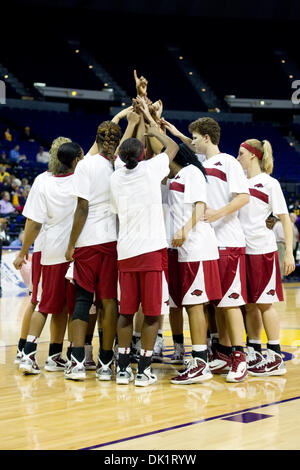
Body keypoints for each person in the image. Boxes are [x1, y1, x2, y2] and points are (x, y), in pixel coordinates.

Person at [163, 116, 250, 382]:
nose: (193, 141)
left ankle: (240, 357)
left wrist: (217, 213)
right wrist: (169, 129)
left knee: (230, 303)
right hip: (209, 243)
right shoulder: (198, 164)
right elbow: (187, 144)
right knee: (213, 303)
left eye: (197, 137)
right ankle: (222, 353)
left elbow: (244, 196)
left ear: (208, 138)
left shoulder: (228, 162)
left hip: (229, 239)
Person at [110, 125, 179, 386]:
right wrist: (153, 129)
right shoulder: (151, 170)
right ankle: (145, 370)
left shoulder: (116, 176)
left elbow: (121, 156)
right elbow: (173, 148)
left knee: (126, 313)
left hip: (125, 252)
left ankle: (124, 369)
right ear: (142, 156)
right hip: (150, 250)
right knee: (151, 314)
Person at [14, 142, 84, 375]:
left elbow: (33, 223)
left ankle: (52, 355)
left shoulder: (43, 182)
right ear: (76, 160)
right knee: (51, 305)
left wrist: (23, 251)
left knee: (55, 306)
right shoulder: (81, 180)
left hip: (51, 249)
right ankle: (28, 353)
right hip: (73, 251)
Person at [64, 121, 122, 381]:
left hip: (87, 241)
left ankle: (77, 361)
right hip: (113, 240)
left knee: (83, 300)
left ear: (95, 138)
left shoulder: (85, 165)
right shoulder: (120, 166)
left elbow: (82, 208)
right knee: (109, 302)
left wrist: (71, 243)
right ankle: (106, 364)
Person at [164, 143, 222, 384]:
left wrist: (185, 230)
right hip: (181, 249)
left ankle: (200, 362)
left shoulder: (193, 172)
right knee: (186, 304)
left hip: (195, 247)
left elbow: (200, 207)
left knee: (195, 305)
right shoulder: (176, 176)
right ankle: (197, 359)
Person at [237, 138, 295, 376]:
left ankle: (275, 355)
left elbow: (284, 219)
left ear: (253, 156)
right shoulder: (238, 181)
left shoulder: (269, 183)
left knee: (264, 303)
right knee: (248, 305)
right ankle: (254, 349)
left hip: (263, 250)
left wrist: (289, 252)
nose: (237, 157)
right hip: (242, 250)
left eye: (241, 153)